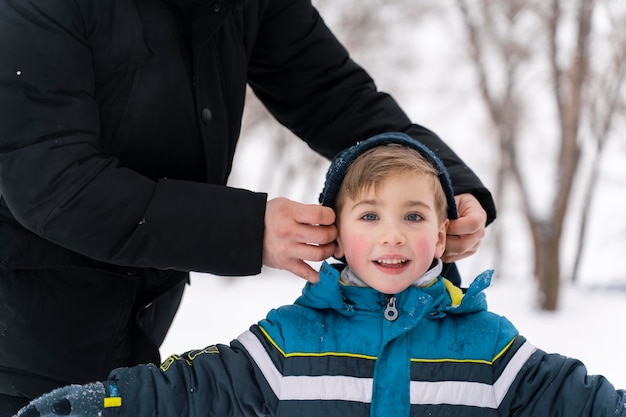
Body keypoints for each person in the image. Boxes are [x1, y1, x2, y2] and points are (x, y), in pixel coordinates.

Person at [0, 0, 496, 414]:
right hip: (20, 327)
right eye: (371, 217)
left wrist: (448, 186)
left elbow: (334, 94)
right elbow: (53, 181)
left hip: (133, 317)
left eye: (412, 219)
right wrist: (249, 228)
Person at [14, 132, 625, 417]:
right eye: (369, 215)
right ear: (336, 234)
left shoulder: (486, 347)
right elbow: (193, 392)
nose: (391, 234)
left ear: (441, 237)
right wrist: (99, 404)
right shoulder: (288, 343)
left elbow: (581, 400)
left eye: (413, 216)